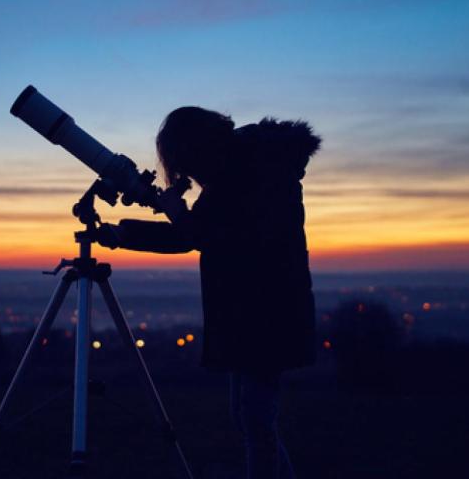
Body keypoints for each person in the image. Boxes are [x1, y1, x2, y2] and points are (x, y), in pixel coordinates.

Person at [96, 106, 320, 479]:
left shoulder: (253, 172)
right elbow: (200, 234)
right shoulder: (240, 169)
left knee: (255, 419)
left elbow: (212, 234)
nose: (191, 176)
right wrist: (125, 234)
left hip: (267, 311)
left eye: (188, 164)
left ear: (198, 148)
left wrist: (175, 213)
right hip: (251, 311)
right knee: (250, 418)